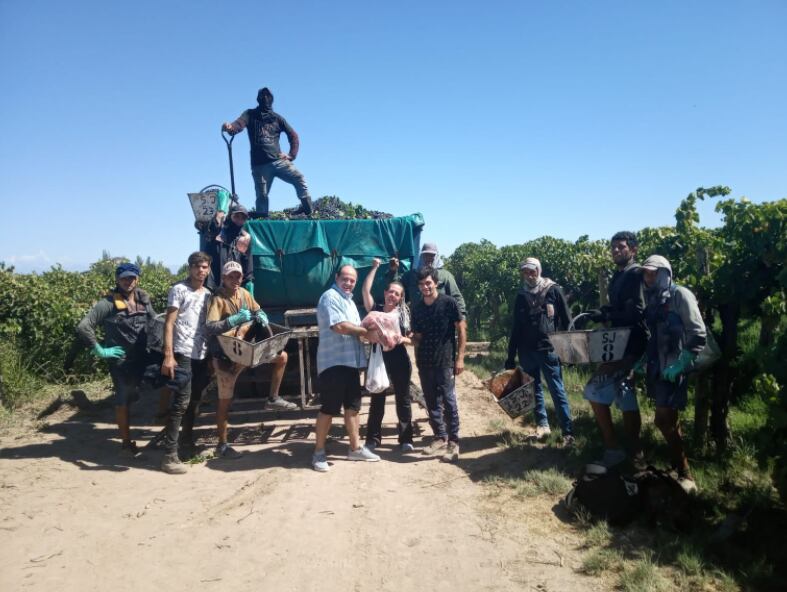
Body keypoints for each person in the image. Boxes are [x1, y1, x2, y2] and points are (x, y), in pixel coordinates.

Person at [205, 261, 292, 459]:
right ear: (224, 278)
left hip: (246, 351)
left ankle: (273, 398)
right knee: (224, 402)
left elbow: (257, 309)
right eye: (231, 276)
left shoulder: (244, 293)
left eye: (238, 276)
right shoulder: (217, 299)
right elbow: (210, 327)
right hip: (226, 355)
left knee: (282, 357)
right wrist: (231, 321)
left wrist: (260, 315)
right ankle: (222, 444)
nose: (235, 280)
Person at [639, 255, 706, 493]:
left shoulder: (680, 295)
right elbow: (654, 336)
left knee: (662, 420)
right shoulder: (654, 299)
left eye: (653, 273)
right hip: (659, 367)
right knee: (668, 420)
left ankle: (685, 474)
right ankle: (679, 467)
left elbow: (698, 333)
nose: (648, 277)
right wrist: (644, 360)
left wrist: (682, 363)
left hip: (674, 368)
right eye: (646, 273)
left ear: (665, 273)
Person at [76, 263, 157, 459]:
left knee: (170, 381)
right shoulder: (108, 303)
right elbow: (83, 326)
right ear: (117, 280)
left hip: (143, 356)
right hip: (121, 361)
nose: (128, 282)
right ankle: (126, 444)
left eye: (132, 278)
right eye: (124, 278)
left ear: (137, 279)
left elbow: (155, 321)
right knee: (123, 399)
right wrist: (100, 350)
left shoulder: (143, 299)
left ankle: (163, 424)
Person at [583, 231, 648, 472]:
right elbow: (620, 307)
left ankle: (620, 450)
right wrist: (603, 311)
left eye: (621, 247)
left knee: (596, 389)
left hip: (633, 344)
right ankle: (632, 453)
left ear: (633, 249)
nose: (616, 251)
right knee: (623, 393)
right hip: (619, 343)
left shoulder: (635, 274)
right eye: (613, 248)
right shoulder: (618, 275)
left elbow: (637, 312)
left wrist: (608, 315)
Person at [311, 264, 380, 472]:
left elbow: (355, 328)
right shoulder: (330, 297)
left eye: (352, 280)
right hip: (334, 363)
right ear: (337, 277)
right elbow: (339, 326)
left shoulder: (349, 302)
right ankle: (318, 453)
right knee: (329, 408)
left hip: (350, 363)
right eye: (346, 279)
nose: (349, 283)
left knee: (353, 407)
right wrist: (365, 332)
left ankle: (355, 448)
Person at [504, 257, 574, 444]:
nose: (529, 275)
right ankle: (542, 426)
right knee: (534, 390)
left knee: (556, 389)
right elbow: (516, 327)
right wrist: (511, 356)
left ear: (539, 270)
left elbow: (567, 320)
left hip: (548, 349)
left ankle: (567, 431)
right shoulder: (521, 295)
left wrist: (569, 350)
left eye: (532, 271)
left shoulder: (553, 290)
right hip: (526, 351)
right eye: (525, 272)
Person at [157, 251, 213, 474]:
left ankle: (187, 445)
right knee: (181, 402)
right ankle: (169, 455)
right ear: (190, 268)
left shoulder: (208, 294)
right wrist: (168, 355)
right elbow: (169, 323)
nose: (201, 271)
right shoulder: (178, 290)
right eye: (197, 267)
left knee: (195, 401)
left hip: (201, 352)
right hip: (182, 352)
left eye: (205, 267)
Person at [222, 87, 312, 218]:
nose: (265, 100)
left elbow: (293, 136)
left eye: (267, 98)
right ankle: (262, 216)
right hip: (260, 166)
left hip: (279, 161)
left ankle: (307, 207)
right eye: (262, 98)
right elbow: (239, 124)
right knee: (262, 195)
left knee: (298, 177)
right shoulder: (250, 114)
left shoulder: (277, 118)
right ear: (258, 100)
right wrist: (230, 127)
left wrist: (291, 155)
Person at [411, 267, 467, 463]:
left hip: (444, 361)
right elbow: (417, 337)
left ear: (435, 283)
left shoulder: (448, 303)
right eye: (421, 284)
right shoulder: (416, 308)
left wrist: (460, 358)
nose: (425, 287)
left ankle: (453, 441)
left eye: (428, 283)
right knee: (431, 401)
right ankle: (439, 437)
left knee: (449, 402)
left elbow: (461, 329)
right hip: (424, 362)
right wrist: (404, 339)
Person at [361, 258, 415, 453]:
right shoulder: (375, 310)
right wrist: (375, 267)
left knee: (403, 398)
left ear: (401, 298)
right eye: (390, 291)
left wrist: (401, 339)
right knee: (377, 398)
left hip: (399, 359)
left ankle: (406, 438)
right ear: (385, 293)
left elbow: (412, 339)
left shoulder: (404, 315)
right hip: (379, 359)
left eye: (397, 293)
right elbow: (365, 291)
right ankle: (373, 439)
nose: (393, 295)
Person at [386, 242, 466, 318]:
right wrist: (393, 271)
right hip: (418, 323)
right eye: (426, 255)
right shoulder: (411, 275)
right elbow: (396, 289)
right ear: (421, 256)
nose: (429, 258)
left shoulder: (445, 276)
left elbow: (457, 298)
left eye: (432, 255)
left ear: (437, 256)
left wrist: (461, 318)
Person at [205, 203, 254, 293]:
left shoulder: (245, 239)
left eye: (243, 218)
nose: (239, 220)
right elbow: (215, 223)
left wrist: (248, 282)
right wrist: (221, 210)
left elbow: (248, 263)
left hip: (235, 286)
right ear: (230, 216)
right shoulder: (218, 232)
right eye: (236, 216)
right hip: (215, 284)